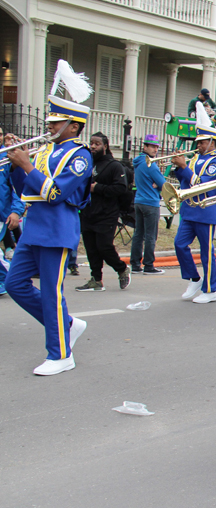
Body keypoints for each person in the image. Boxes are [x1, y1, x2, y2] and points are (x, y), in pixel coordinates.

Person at [5, 61, 92, 375]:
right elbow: (23, 189)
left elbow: (56, 193)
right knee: (15, 284)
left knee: (53, 292)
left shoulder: (81, 155)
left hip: (57, 230)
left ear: (74, 125)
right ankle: (66, 325)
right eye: (51, 121)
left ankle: (61, 354)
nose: (50, 126)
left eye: (57, 122)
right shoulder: (42, 152)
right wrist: (15, 164)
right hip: (33, 228)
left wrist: (27, 167)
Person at [171, 107, 216, 304]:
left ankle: (211, 289)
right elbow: (185, 182)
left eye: (201, 142)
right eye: (198, 142)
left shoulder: (215, 162)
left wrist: (184, 167)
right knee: (179, 244)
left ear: (211, 142)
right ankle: (194, 278)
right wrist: (178, 166)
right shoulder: (194, 158)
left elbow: (202, 185)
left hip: (204, 212)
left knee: (206, 252)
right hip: (189, 211)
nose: (198, 145)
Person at [74, 132, 130, 292]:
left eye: (97, 143)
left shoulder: (114, 166)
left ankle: (121, 268)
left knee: (104, 247)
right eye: (91, 143)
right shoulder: (87, 163)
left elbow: (121, 188)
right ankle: (96, 279)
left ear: (105, 146)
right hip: (88, 212)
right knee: (91, 248)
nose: (92, 146)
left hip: (107, 214)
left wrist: (97, 187)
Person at [130, 135, 166, 275]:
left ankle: (135, 264)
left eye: (157, 147)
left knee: (138, 234)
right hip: (150, 203)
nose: (155, 149)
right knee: (151, 236)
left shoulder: (138, 162)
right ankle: (149, 265)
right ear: (145, 147)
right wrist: (158, 185)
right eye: (152, 146)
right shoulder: (151, 164)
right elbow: (163, 184)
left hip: (139, 201)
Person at [0, 127, 25, 296]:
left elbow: (17, 190)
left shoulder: (7, 158)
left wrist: (16, 211)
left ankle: (9, 279)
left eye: (0, 134)